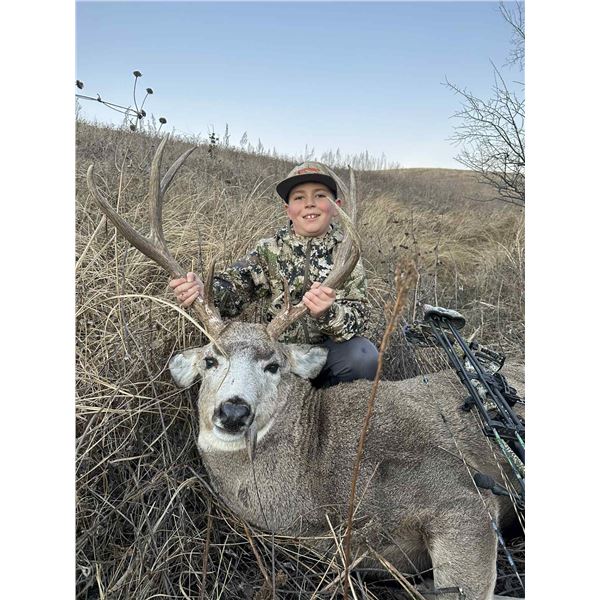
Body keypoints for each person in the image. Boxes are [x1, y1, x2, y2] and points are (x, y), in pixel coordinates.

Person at [169, 161, 378, 388]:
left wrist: (328, 313)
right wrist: (204, 290)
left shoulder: (347, 255)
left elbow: (359, 319)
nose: (309, 203)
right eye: (299, 197)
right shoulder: (269, 250)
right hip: (275, 357)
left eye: (320, 195)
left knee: (363, 356)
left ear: (336, 207)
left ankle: (332, 405)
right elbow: (236, 285)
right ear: (287, 209)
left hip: (329, 357)